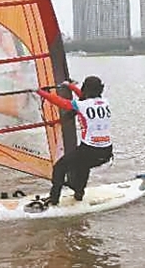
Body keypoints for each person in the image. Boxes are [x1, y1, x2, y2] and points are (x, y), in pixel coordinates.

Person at [36, 76, 113, 206]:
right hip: (106, 152)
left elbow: (60, 102)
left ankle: (54, 199)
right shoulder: (105, 102)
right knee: (83, 166)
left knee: (59, 167)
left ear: (85, 89)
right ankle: (78, 194)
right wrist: (70, 86)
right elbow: (83, 97)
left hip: (89, 150)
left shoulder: (81, 105)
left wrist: (39, 92)